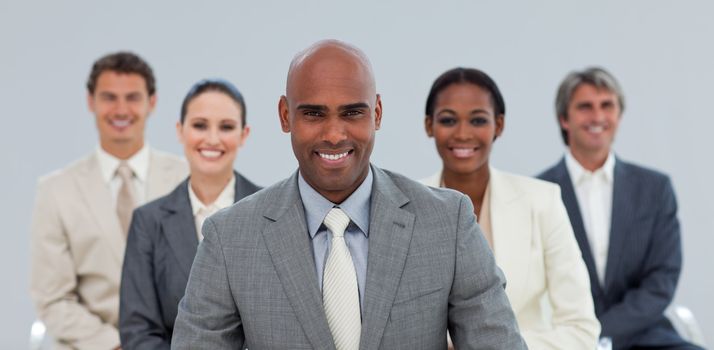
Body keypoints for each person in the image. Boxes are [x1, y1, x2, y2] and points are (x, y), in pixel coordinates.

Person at [171, 40, 526, 350]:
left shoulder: (448, 223)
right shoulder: (229, 239)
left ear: (377, 113)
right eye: (313, 114)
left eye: (352, 112)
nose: (335, 134)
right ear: (285, 116)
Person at [420, 67, 600, 349]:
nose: (463, 133)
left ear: (499, 126)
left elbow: (581, 330)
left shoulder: (542, 202)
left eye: (478, 120)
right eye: (448, 120)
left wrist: (493, 345)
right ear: (429, 126)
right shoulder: (406, 208)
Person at [29, 52, 187, 349]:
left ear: (151, 102)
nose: (121, 109)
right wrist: (119, 344)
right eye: (109, 97)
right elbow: (53, 299)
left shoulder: (185, 177)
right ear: (91, 102)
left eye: (132, 97)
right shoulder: (56, 190)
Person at [538, 67, 701, 350]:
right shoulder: (539, 193)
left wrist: (601, 331)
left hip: (642, 336)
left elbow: (661, 281)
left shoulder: (655, 189)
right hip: (561, 340)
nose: (598, 117)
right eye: (585, 107)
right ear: (564, 119)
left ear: (619, 115)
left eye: (607, 106)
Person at [119, 79, 261, 349]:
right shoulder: (148, 223)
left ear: (244, 134)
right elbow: (139, 333)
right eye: (200, 125)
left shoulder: (272, 214)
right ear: (180, 131)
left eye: (226, 127)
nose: (212, 138)